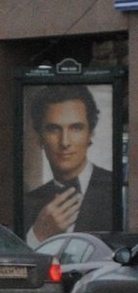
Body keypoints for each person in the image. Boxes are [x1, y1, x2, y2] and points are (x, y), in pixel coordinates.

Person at [24, 84, 113, 245]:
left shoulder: (117, 189)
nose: (65, 142)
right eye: (53, 129)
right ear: (39, 137)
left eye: (76, 128)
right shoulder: (27, 202)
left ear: (90, 133)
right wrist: (37, 236)